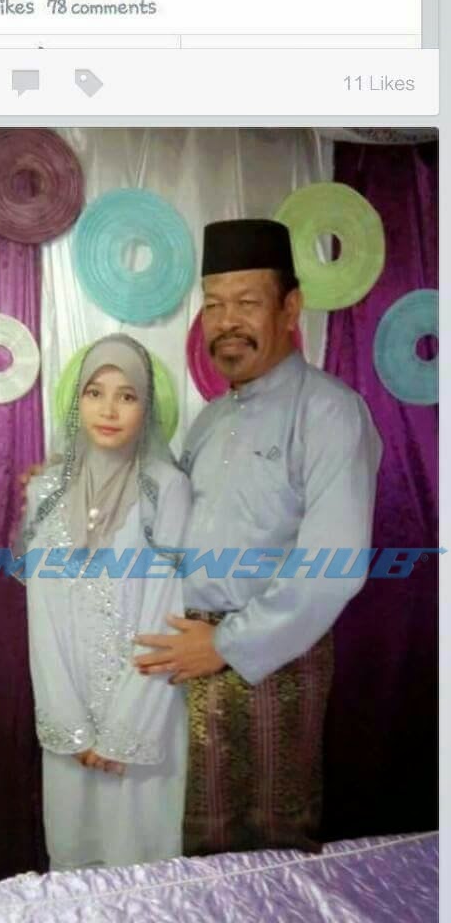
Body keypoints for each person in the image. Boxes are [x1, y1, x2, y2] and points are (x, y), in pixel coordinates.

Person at [133, 219, 383, 855]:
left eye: (246, 302)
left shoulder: (329, 412)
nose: (226, 322)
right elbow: (163, 519)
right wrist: (71, 479)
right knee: (196, 845)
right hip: (192, 654)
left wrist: (226, 643)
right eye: (214, 304)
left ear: (290, 308)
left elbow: (334, 566)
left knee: (268, 847)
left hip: (276, 664)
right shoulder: (210, 421)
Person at [16, 334, 191, 870]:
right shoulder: (46, 491)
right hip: (70, 717)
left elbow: (168, 617)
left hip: (144, 720)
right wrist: (72, 728)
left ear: (147, 407)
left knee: (142, 863)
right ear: (77, 402)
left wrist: (122, 735)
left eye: (127, 395)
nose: (109, 410)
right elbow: (42, 622)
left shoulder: (166, 489)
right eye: (95, 393)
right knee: (77, 860)